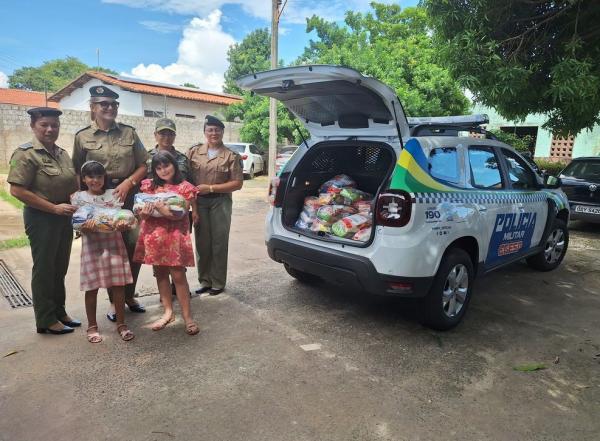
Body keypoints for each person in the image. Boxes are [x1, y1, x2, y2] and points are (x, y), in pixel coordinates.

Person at [72, 85, 148, 322]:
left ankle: (129, 294)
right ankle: (115, 302)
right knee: (107, 248)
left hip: (127, 194)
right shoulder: (82, 136)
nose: (109, 108)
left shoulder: (129, 133)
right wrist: (83, 208)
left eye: (113, 104)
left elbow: (144, 164)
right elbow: (77, 172)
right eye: (103, 104)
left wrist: (128, 182)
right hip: (99, 198)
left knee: (134, 244)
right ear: (93, 108)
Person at [7, 107, 80, 335]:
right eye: (44, 125)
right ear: (33, 126)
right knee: (45, 268)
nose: (50, 129)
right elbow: (17, 190)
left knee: (60, 268)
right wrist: (53, 208)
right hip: (42, 218)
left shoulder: (62, 153)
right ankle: (46, 319)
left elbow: (71, 184)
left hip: (63, 217)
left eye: (54, 125)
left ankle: (59, 311)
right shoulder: (25, 154)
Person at [133, 151, 200, 335]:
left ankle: (188, 317)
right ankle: (168, 312)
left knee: (178, 277)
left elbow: (181, 213)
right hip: (154, 237)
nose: (163, 170)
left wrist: (165, 211)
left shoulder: (185, 188)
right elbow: (141, 213)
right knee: (160, 274)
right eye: (159, 168)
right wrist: (144, 213)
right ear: (154, 170)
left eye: (167, 165)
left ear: (174, 165)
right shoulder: (148, 186)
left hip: (175, 238)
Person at [71, 161, 135, 342]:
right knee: (92, 287)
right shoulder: (78, 197)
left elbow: (121, 219)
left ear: (104, 178)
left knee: (118, 285)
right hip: (92, 247)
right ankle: (92, 327)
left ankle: (121, 324)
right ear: (84, 179)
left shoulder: (113, 195)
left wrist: (123, 225)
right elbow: (77, 223)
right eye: (91, 176)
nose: (95, 180)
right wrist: (85, 227)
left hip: (114, 245)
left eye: (99, 176)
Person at [187, 115, 243, 295]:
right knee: (202, 243)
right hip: (199, 203)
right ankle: (205, 281)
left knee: (219, 242)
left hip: (221, 201)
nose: (214, 133)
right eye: (210, 130)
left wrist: (210, 188)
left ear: (222, 132)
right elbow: (186, 178)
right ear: (205, 132)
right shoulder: (194, 152)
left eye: (217, 130)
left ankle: (218, 282)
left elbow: (237, 183)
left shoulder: (231, 156)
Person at [147, 118, 193, 297]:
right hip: (155, 217)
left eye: (170, 133)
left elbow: (191, 185)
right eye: (162, 133)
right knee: (158, 254)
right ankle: (164, 291)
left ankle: (179, 286)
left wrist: (194, 211)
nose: (166, 137)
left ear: (174, 135)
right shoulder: (146, 157)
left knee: (178, 251)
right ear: (155, 135)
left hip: (178, 214)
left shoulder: (182, 158)